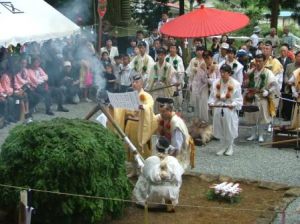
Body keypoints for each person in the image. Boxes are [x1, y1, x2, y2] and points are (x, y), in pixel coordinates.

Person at [112, 74, 158, 177]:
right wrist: (114, 105)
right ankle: (133, 169)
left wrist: (143, 107)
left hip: (140, 125)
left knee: (139, 147)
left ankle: (142, 170)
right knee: (130, 147)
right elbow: (121, 107)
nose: (134, 84)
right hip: (129, 123)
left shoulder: (146, 96)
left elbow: (150, 105)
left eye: (136, 82)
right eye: (133, 82)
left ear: (141, 84)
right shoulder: (129, 95)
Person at [132, 136, 184, 212]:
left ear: (156, 148)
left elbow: (145, 174)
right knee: (176, 181)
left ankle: (146, 202)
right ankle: (169, 200)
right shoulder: (174, 161)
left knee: (142, 178)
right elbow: (178, 179)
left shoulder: (150, 160)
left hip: (153, 192)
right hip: (171, 192)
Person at [208, 64, 243, 156]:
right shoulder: (216, 83)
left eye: (224, 72)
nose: (222, 74)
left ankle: (230, 146)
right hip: (218, 107)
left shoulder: (236, 84)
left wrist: (233, 104)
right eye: (221, 72)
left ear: (229, 73)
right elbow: (212, 96)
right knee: (220, 126)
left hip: (229, 107)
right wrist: (211, 103)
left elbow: (238, 99)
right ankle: (222, 146)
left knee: (229, 127)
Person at [244, 54, 278, 142]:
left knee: (262, 117)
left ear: (264, 61)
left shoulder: (268, 72)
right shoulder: (250, 71)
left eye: (260, 61)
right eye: (257, 61)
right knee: (251, 116)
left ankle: (261, 135)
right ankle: (253, 134)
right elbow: (245, 83)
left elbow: (274, 85)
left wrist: (268, 91)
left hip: (262, 96)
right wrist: (246, 83)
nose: (258, 63)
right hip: (251, 96)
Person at [156, 97, 194, 170]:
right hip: (168, 147)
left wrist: (167, 152)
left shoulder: (176, 123)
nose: (161, 114)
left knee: (174, 169)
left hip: (178, 150)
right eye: (160, 112)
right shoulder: (162, 118)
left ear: (169, 110)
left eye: (163, 112)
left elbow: (177, 146)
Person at [165, 44, 185, 111]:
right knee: (169, 97)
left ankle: (178, 110)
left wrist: (179, 81)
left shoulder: (179, 59)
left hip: (176, 81)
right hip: (168, 81)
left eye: (173, 48)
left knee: (178, 98)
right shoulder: (166, 58)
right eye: (171, 48)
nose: (172, 49)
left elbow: (181, 71)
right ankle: (170, 110)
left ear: (176, 50)